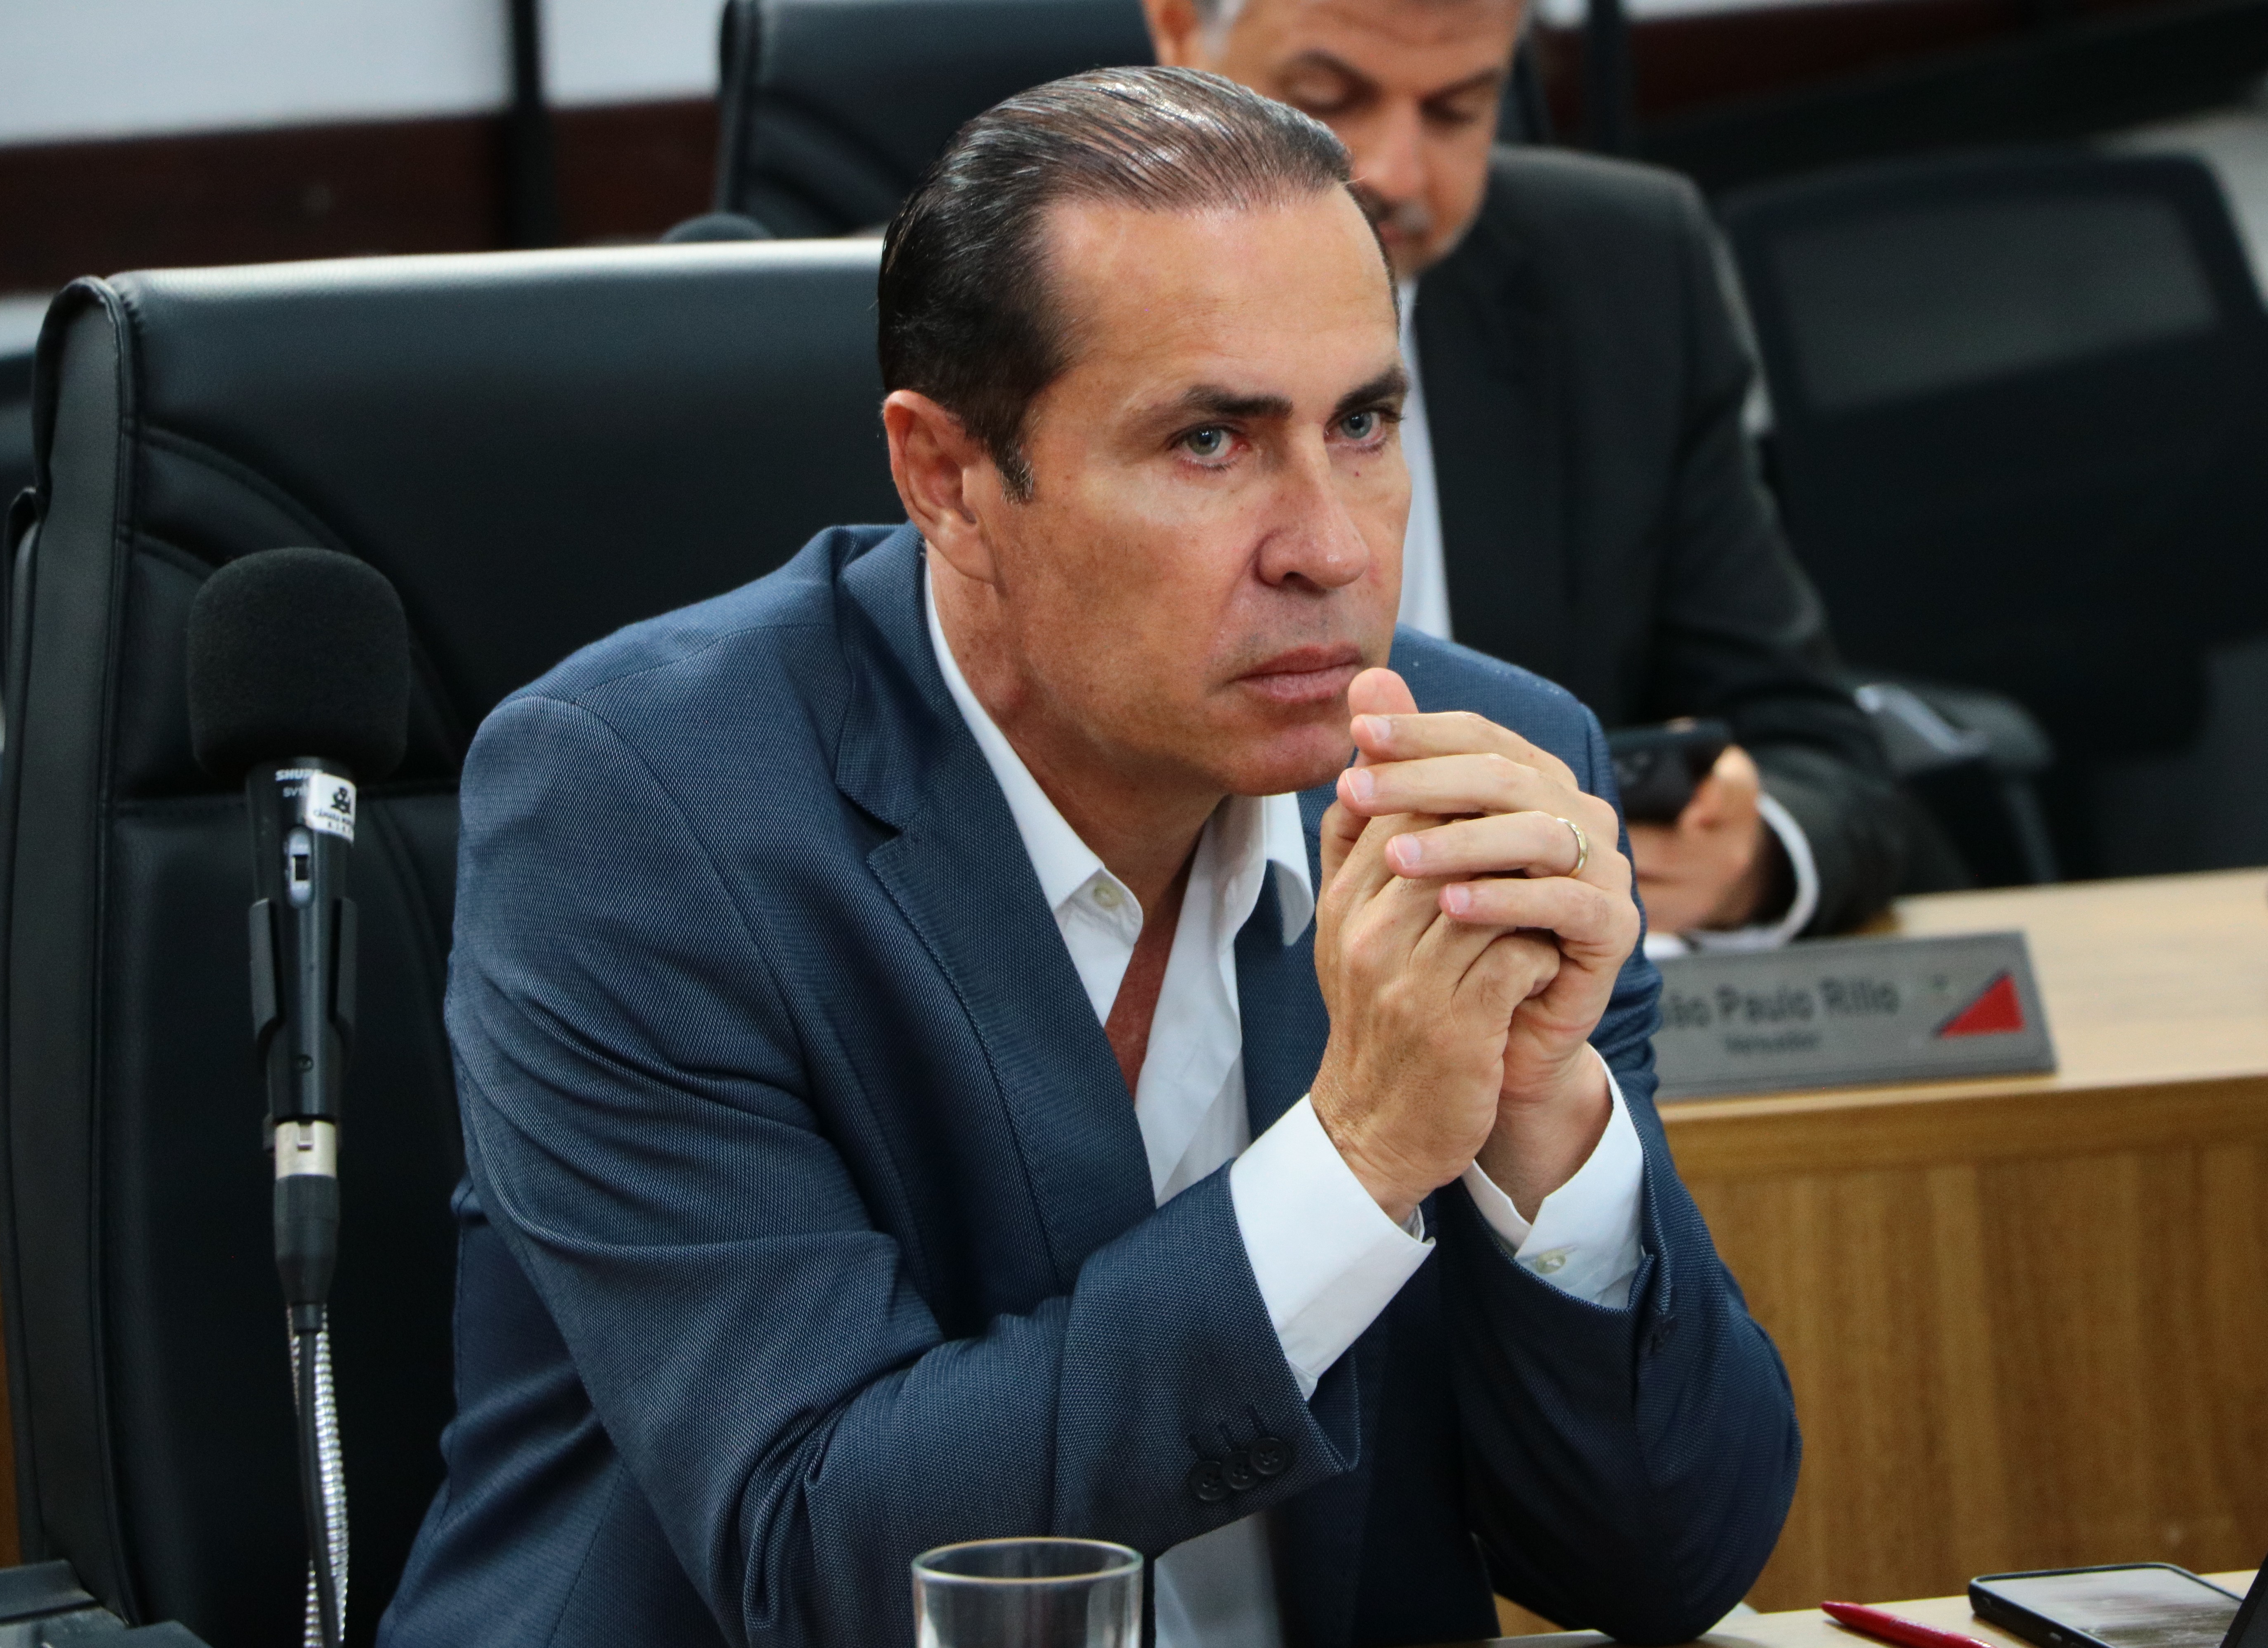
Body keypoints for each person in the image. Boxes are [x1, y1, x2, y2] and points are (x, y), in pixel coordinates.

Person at [381, 68, 1796, 1648]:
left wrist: (1546, 1128)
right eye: (1210, 440)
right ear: (947, 479)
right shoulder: (636, 811)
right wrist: (1357, 1157)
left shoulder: (1489, 776)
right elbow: (827, 1561)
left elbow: (1667, 1565)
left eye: (1363, 423)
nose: (1332, 547)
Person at [1143, 0, 1912, 944]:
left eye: (1457, 111)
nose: (1396, 173)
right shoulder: (1027, 279)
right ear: (1179, 28)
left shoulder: (1621, 269)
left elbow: (1821, 757)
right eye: (1327, 101)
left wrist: (1742, 857)